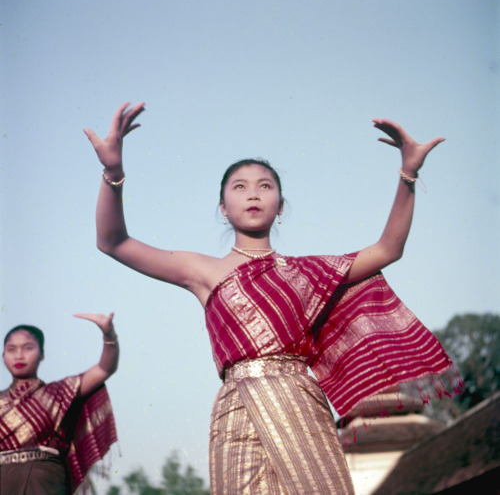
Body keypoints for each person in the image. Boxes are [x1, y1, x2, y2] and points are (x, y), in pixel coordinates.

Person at [84, 103, 462, 494]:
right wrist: (113, 173)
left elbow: (387, 249)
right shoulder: (202, 271)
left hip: (299, 402)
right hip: (236, 411)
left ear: (280, 207)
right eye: (240, 187)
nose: (253, 194)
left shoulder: (308, 273)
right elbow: (113, 241)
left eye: (266, 186)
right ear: (222, 208)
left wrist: (408, 173)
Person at [0, 313, 119, 494]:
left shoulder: (60, 392)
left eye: (27, 348)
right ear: (3, 356)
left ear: (42, 354)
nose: (19, 355)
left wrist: (109, 335)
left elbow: (104, 368)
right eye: (11, 349)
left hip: (45, 481)